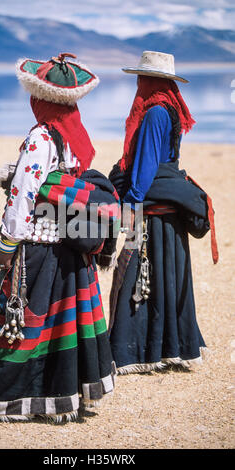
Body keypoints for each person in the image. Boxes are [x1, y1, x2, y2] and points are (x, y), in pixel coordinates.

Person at [0, 53, 118, 424]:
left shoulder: (40, 138)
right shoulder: (75, 138)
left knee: (19, 323)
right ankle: (60, 396)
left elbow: (23, 194)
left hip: (38, 248)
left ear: (39, 100)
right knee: (59, 326)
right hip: (69, 248)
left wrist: (8, 245)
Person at [108, 51, 218, 374]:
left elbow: (145, 166)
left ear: (149, 80)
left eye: (142, 78)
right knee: (165, 278)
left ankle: (135, 351)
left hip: (152, 210)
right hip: (168, 214)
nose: (138, 84)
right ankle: (169, 346)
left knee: (135, 279)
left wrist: (131, 202)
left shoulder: (155, 111)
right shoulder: (168, 107)